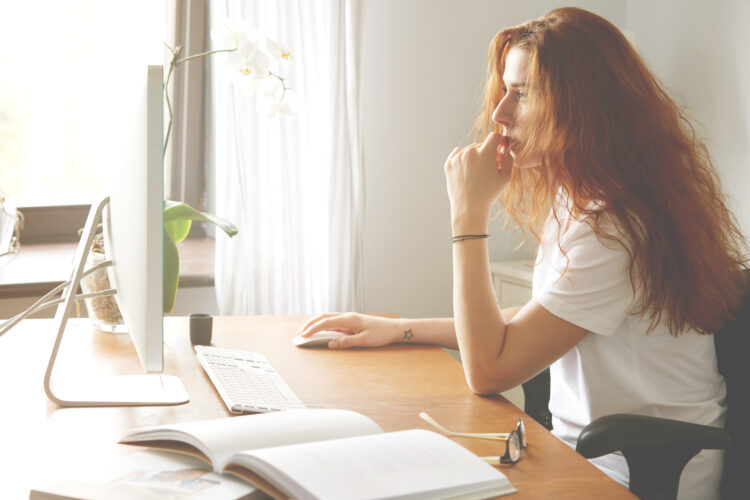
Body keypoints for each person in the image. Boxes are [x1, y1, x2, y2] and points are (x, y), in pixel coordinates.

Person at [296, 7, 747, 500]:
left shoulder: (613, 227)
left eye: (523, 93)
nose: (500, 113)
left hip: (635, 476)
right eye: (505, 90)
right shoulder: (581, 199)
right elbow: (538, 323)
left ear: (579, 105)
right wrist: (398, 330)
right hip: (587, 456)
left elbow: (490, 370)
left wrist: (468, 216)